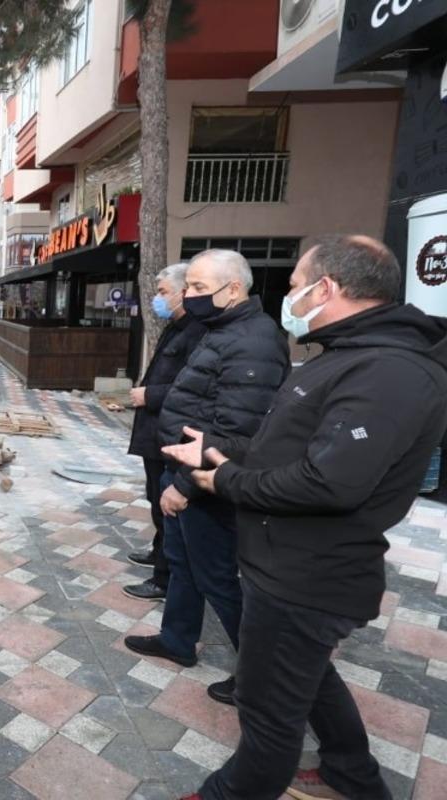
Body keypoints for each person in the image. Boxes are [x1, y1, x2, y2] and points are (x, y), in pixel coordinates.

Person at [165, 236, 447, 800]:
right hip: (289, 561)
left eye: (294, 285)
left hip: (308, 574)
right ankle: (351, 774)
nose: (288, 297)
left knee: (267, 714)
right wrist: (220, 452)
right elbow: (289, 446)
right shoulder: (348, 354)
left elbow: (329, 481)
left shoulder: (389, 370)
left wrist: (225, 480)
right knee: (309, 678)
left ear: (326, 288)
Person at [123, 249, 289, 707]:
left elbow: (235, 433)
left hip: (207, 482)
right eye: (189, 286)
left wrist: (184, 485)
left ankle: (261, 677)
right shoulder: (221, 329)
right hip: (183, 467)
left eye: (198, 287)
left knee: (218, 578)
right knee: (183, 563)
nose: (189, 295)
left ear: (232, 289)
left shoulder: (253, 342)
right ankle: (177, 639)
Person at [124, 262, 207, 602]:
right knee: (155, 498)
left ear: (183, 292)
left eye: (162, 292)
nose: (157, 299)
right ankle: (159, 554)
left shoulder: (198, 332)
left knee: (167, 504)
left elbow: (195, 388)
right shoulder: (175, 326)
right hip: (154, 431)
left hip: (172, 434)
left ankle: (164, 578)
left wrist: (151, 395)